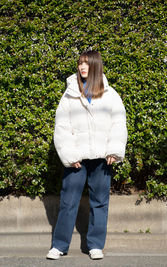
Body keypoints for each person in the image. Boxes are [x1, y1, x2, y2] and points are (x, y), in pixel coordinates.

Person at [46, 51, 128, 260]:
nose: (82, 67)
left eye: (87, 64)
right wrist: (70, 155)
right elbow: (61, 127)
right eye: (80, 63)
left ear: (95, 66)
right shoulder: (70, 94)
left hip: (102, 158)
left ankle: (95, 245)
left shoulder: (110, 94)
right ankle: (59, 245)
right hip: (76, 159)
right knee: (68, 201)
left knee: (100, 202)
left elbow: (118, 124)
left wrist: (114, 151)